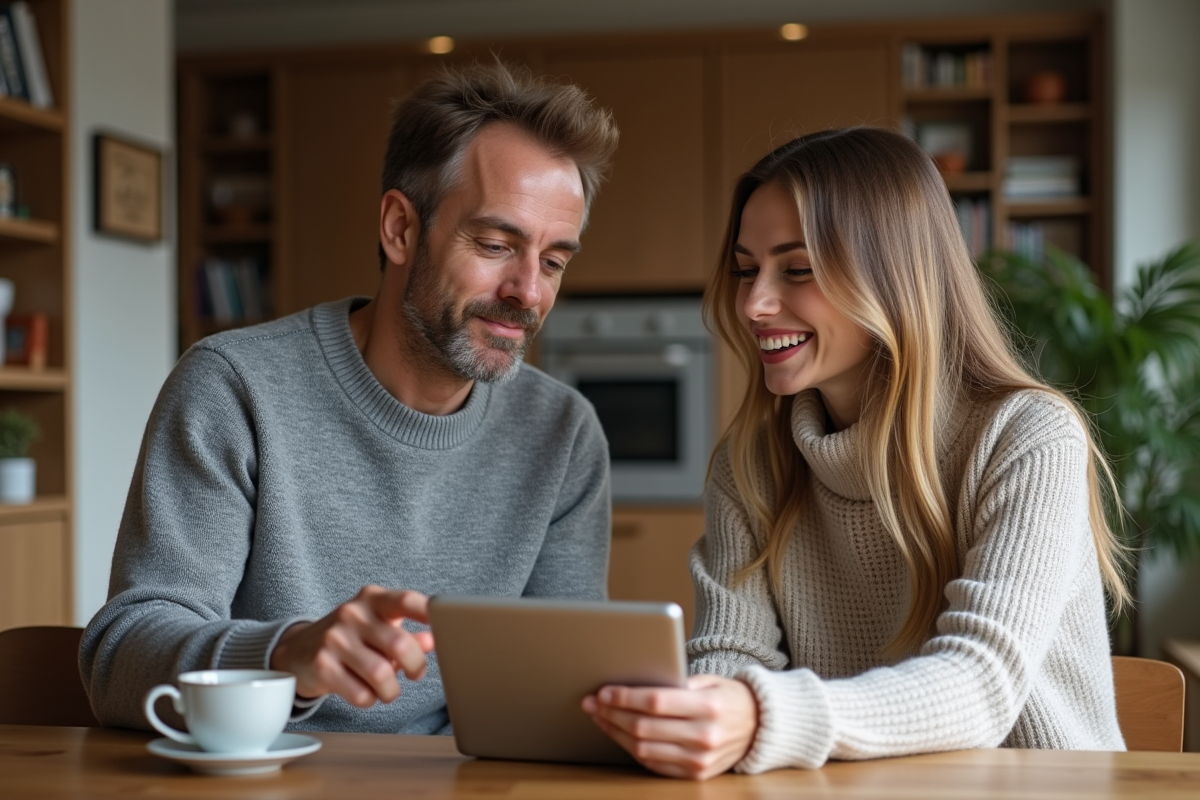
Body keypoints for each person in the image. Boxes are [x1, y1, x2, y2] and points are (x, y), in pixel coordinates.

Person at [81, 62, 620, 735]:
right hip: (265, 771)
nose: (528, 291)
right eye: (494, 244)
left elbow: (557, 683)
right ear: (399, 228)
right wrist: (283, 655)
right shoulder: (235, 387)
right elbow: (119, 659)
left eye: (554, 261)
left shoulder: (563, 433)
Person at [583, 126, 1128, 778]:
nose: (755, 303)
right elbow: (730, 658)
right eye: (746, 270)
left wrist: (760, 715)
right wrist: (708, 709)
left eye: (797, 269)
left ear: (892, 276)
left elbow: (981, 683)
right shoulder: (751, 466)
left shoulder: (1028, 437)